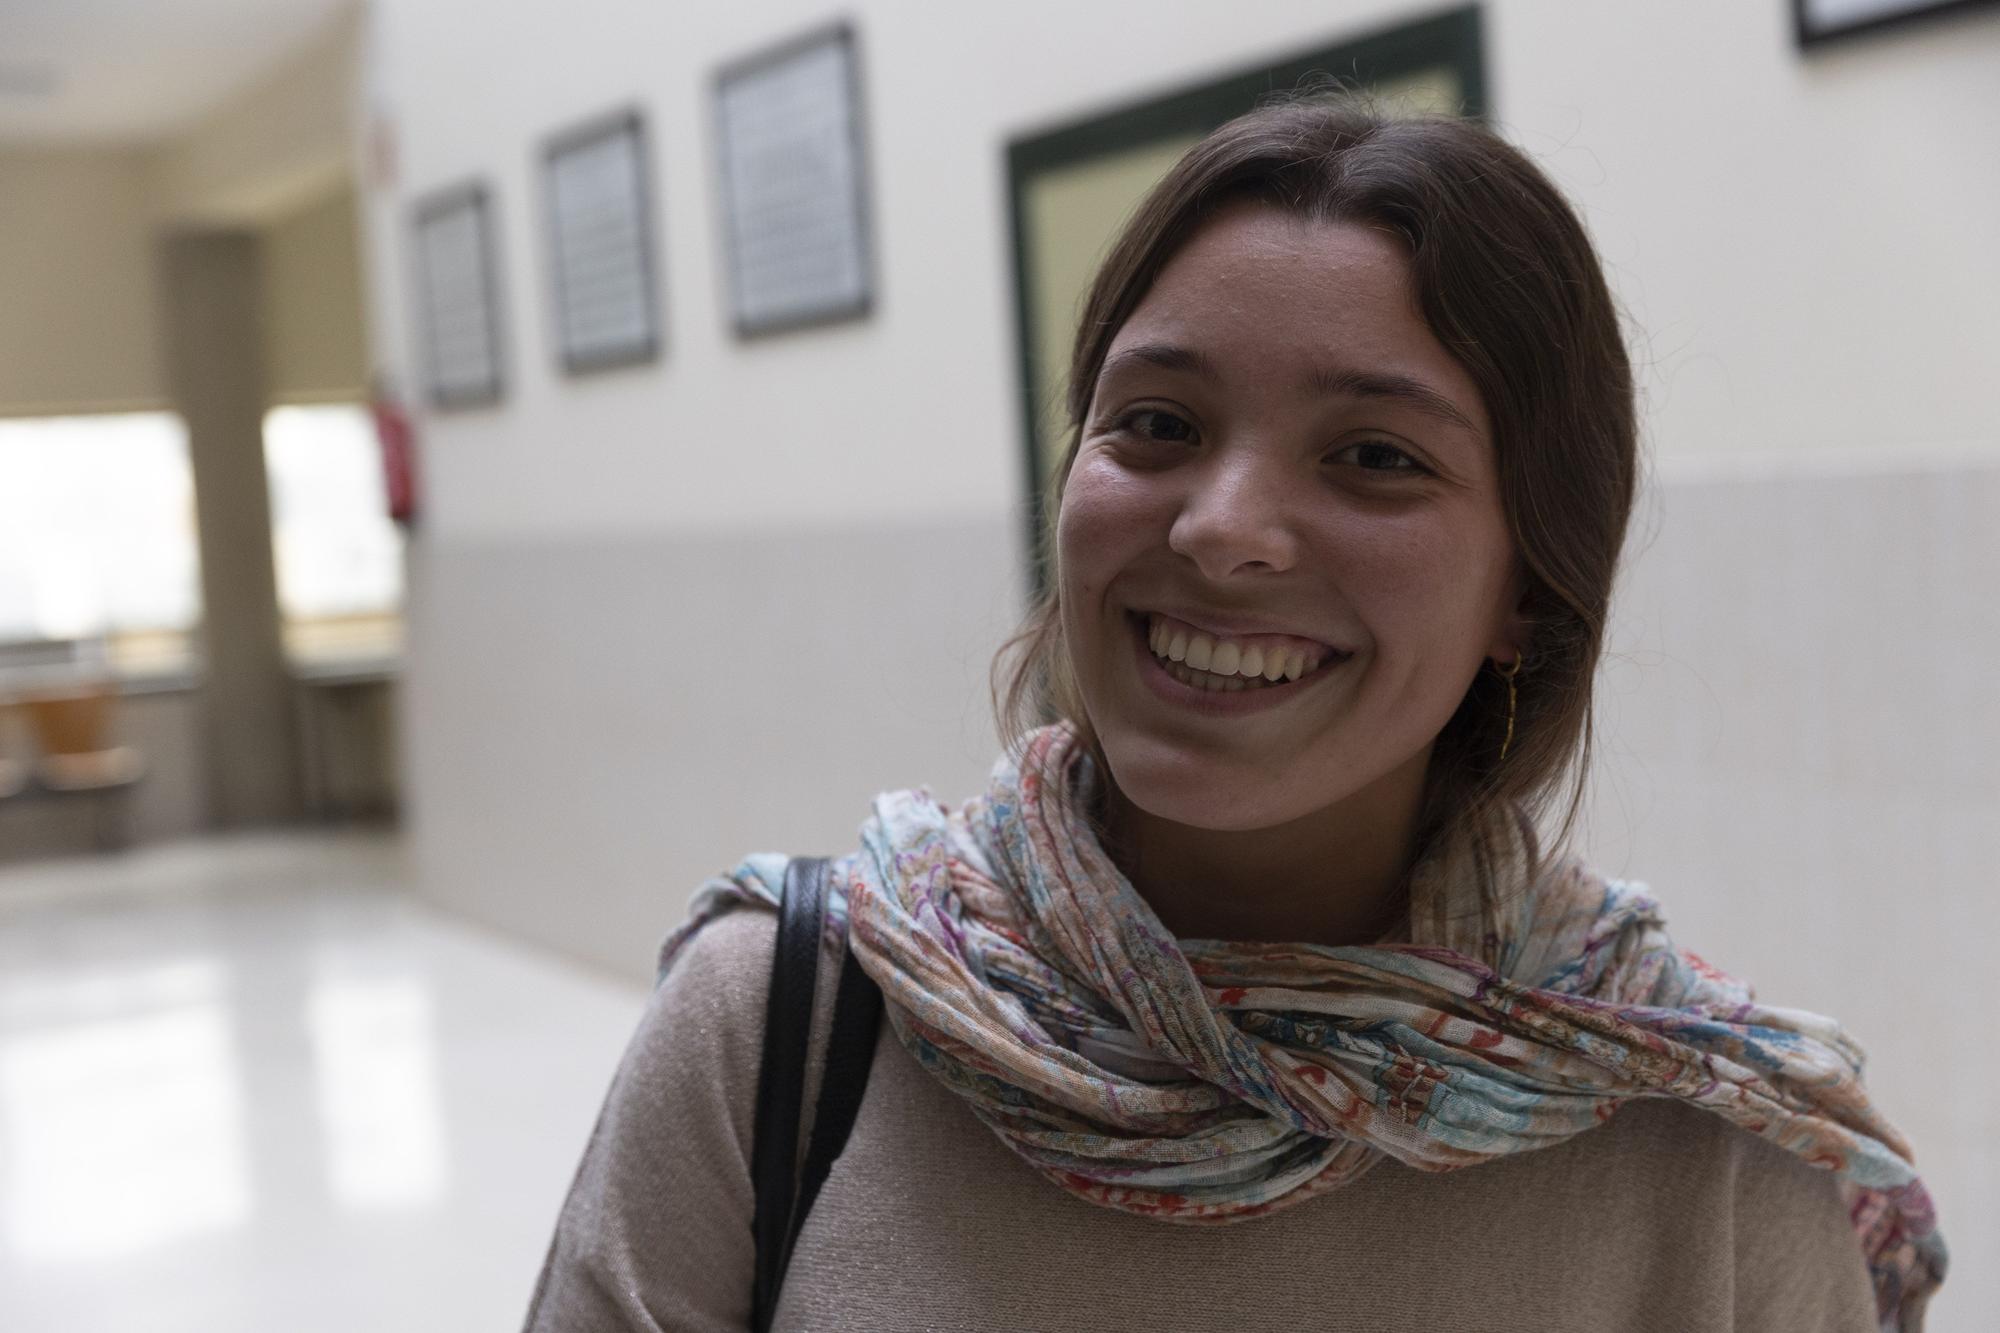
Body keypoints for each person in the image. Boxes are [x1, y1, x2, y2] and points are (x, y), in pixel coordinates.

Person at [522, 91, 1946, 1332]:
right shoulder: (783, 1023)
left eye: (1375, 455)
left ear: (1529, 587)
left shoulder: (1703, 1153)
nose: (1223, 529)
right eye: (1158, 423)